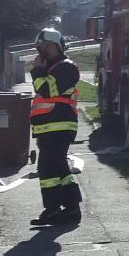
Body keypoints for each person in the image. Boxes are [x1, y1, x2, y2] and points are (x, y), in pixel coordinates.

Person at [30, 27, 83, 226]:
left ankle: (62, 209)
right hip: (48, 128)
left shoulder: (66, 67)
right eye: (41, 47)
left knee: (51, 168)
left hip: (60, 127)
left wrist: (36, 71)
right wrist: (40, 70)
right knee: (54, 170)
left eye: (47, 46)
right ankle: (61, 210)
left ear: (58, 47)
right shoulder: (50, 68)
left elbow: (47, 90)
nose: (43, 50)